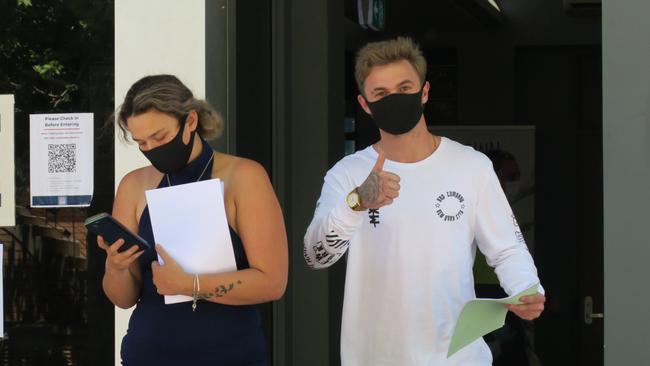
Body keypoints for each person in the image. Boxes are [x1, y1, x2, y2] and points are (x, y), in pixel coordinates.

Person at [303, 37, 545, 365]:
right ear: (364, 104)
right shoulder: (348, 174)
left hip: (458, 357)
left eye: (405, 88)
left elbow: (506, 249)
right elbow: (315, 255)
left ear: (425, 91)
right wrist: (357, 202)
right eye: (381, 94)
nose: (395, 100)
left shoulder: (470, 166)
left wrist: (527, 289)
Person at [97, 74, 288, 365]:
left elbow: (272, 282)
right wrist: (116, 267)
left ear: (190, 122)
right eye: (141, 143)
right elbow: (123, 299)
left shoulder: (244, 177)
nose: (151, 149)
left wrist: (189, 284)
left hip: (229, 354)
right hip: (148, 352)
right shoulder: (134, 185)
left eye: (159, 137)